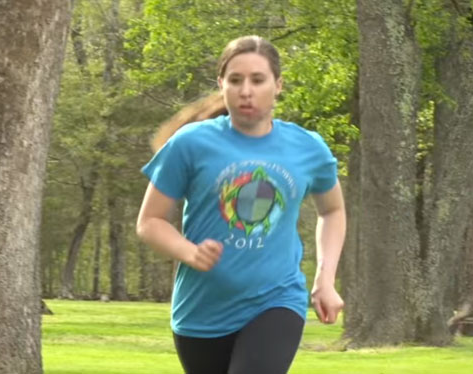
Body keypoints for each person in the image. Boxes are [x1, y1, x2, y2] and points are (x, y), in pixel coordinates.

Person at [136, 35, 346, 374]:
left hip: (277, 300)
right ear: (221, 85)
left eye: (257, 80)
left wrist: (325, 278)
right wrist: (189, 252)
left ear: (278, 85)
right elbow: (150, 222)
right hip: (201, 312)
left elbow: (332, 210)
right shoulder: (190, 143)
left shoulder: (308, 149)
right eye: (235, 80)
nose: (245, 90)